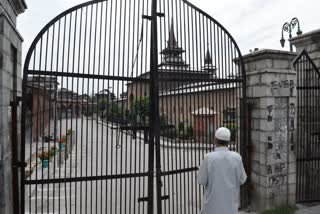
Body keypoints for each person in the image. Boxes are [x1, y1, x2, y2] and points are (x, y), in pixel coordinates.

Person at [198, 127, 247, 214]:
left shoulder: (208, 157)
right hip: (230, 206)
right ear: (228, 142)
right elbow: (242, 179)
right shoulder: (237, 157)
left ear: (215, 140)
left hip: (212, 206)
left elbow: (201, 180)